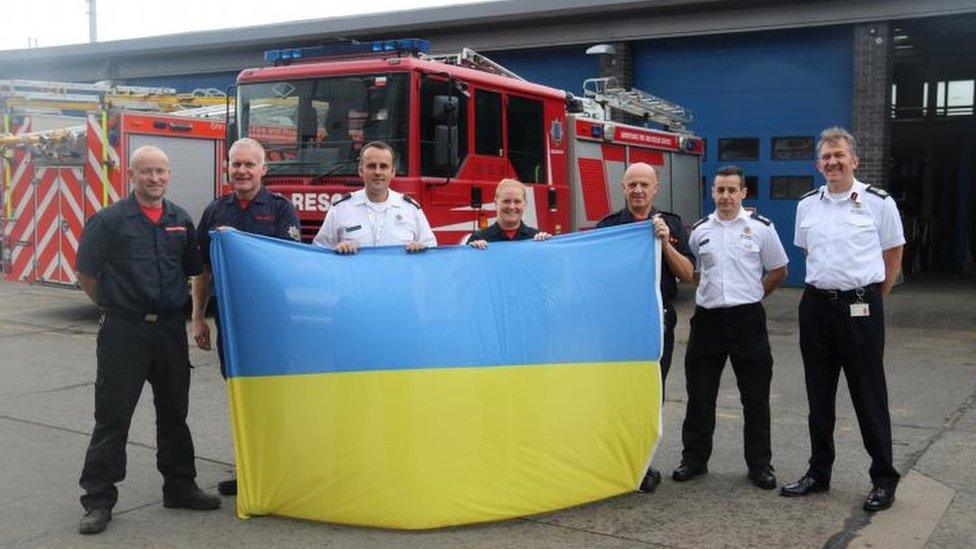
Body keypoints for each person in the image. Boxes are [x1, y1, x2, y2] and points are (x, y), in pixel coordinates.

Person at [75, 146, 220, 535]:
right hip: (125, 331)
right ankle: (98, 500)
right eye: (146, 172)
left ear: (169, 175)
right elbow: (87, 274)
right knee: (113, 417)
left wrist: (192, 318)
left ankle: (179, 486)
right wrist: (112, 305)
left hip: (170, 331)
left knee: (174, 413)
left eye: (160, 171)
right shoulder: (108, 221)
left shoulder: (180, 220)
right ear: (131, 176)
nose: (154, 179)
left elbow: (193, 272)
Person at [781, 127, 905, 513]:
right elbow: (808, 253)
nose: (833, 162)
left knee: (869, 395)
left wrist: (871, 297)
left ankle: (884, 478)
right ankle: (819, 473)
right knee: (819, 396)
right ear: (819, 165)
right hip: (816, 307)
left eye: (840, 156)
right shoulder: (807, 205)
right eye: (827, 157)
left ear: (854, 160)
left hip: (861, 307)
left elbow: (893, 253)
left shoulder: (878, 203)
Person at [190, 137, 301, 496]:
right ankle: (248, 470)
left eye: (249, 164)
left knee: (275, 395)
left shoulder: (282, 210)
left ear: (263, 170)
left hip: (271, 323)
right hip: (231, 323)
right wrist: (197, 317)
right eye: (236, 164)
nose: (241, 171)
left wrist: (240, 241)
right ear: (228, 168)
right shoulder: (214, 211)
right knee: (240, 394)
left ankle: (281, 469)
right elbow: (202, 271)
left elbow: (289, 264)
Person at [672, 166, 788, 489]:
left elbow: (779, 269)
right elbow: (694, 272)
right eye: (719, 190)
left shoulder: (762, 229)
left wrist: (754, 295)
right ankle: (694, 460)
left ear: (743, 193)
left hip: (747, 321)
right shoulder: (699, 231)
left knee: (755, 397)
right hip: (707, 322)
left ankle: (760, 465)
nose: (725, 196)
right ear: (712, 193)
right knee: (700, 395)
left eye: (731, 190)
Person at [596, 162, 694, 492]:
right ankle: (617, 462)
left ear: (655, 188)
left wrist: (665, 243)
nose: (638, 190)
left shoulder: (673, 223)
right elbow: (598, 275)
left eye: (644, 185)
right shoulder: (608, 226)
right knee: (620, 395)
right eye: (632, 184)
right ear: (623, 188)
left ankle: (642, 463)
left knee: (652, 394)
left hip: (658, 324)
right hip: (621, 325)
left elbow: (686, 274)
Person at [312, 141, 436, 253]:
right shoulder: (341, 208)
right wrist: (337, 250)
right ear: (361, 170)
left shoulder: (411, 209)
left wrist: (420, 251)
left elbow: (431, 252)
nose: (377, 172)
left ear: (393, 172)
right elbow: (319, 252)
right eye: (371, 166)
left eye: (383, 166)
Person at [467, 178, 551, 248]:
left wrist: (547, 244)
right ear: (496, 203)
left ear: (524, 204)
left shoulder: (536, 238)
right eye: (506, 201)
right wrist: (472, 252)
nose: (512, 207)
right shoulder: (479, 238)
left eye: (517, 201)